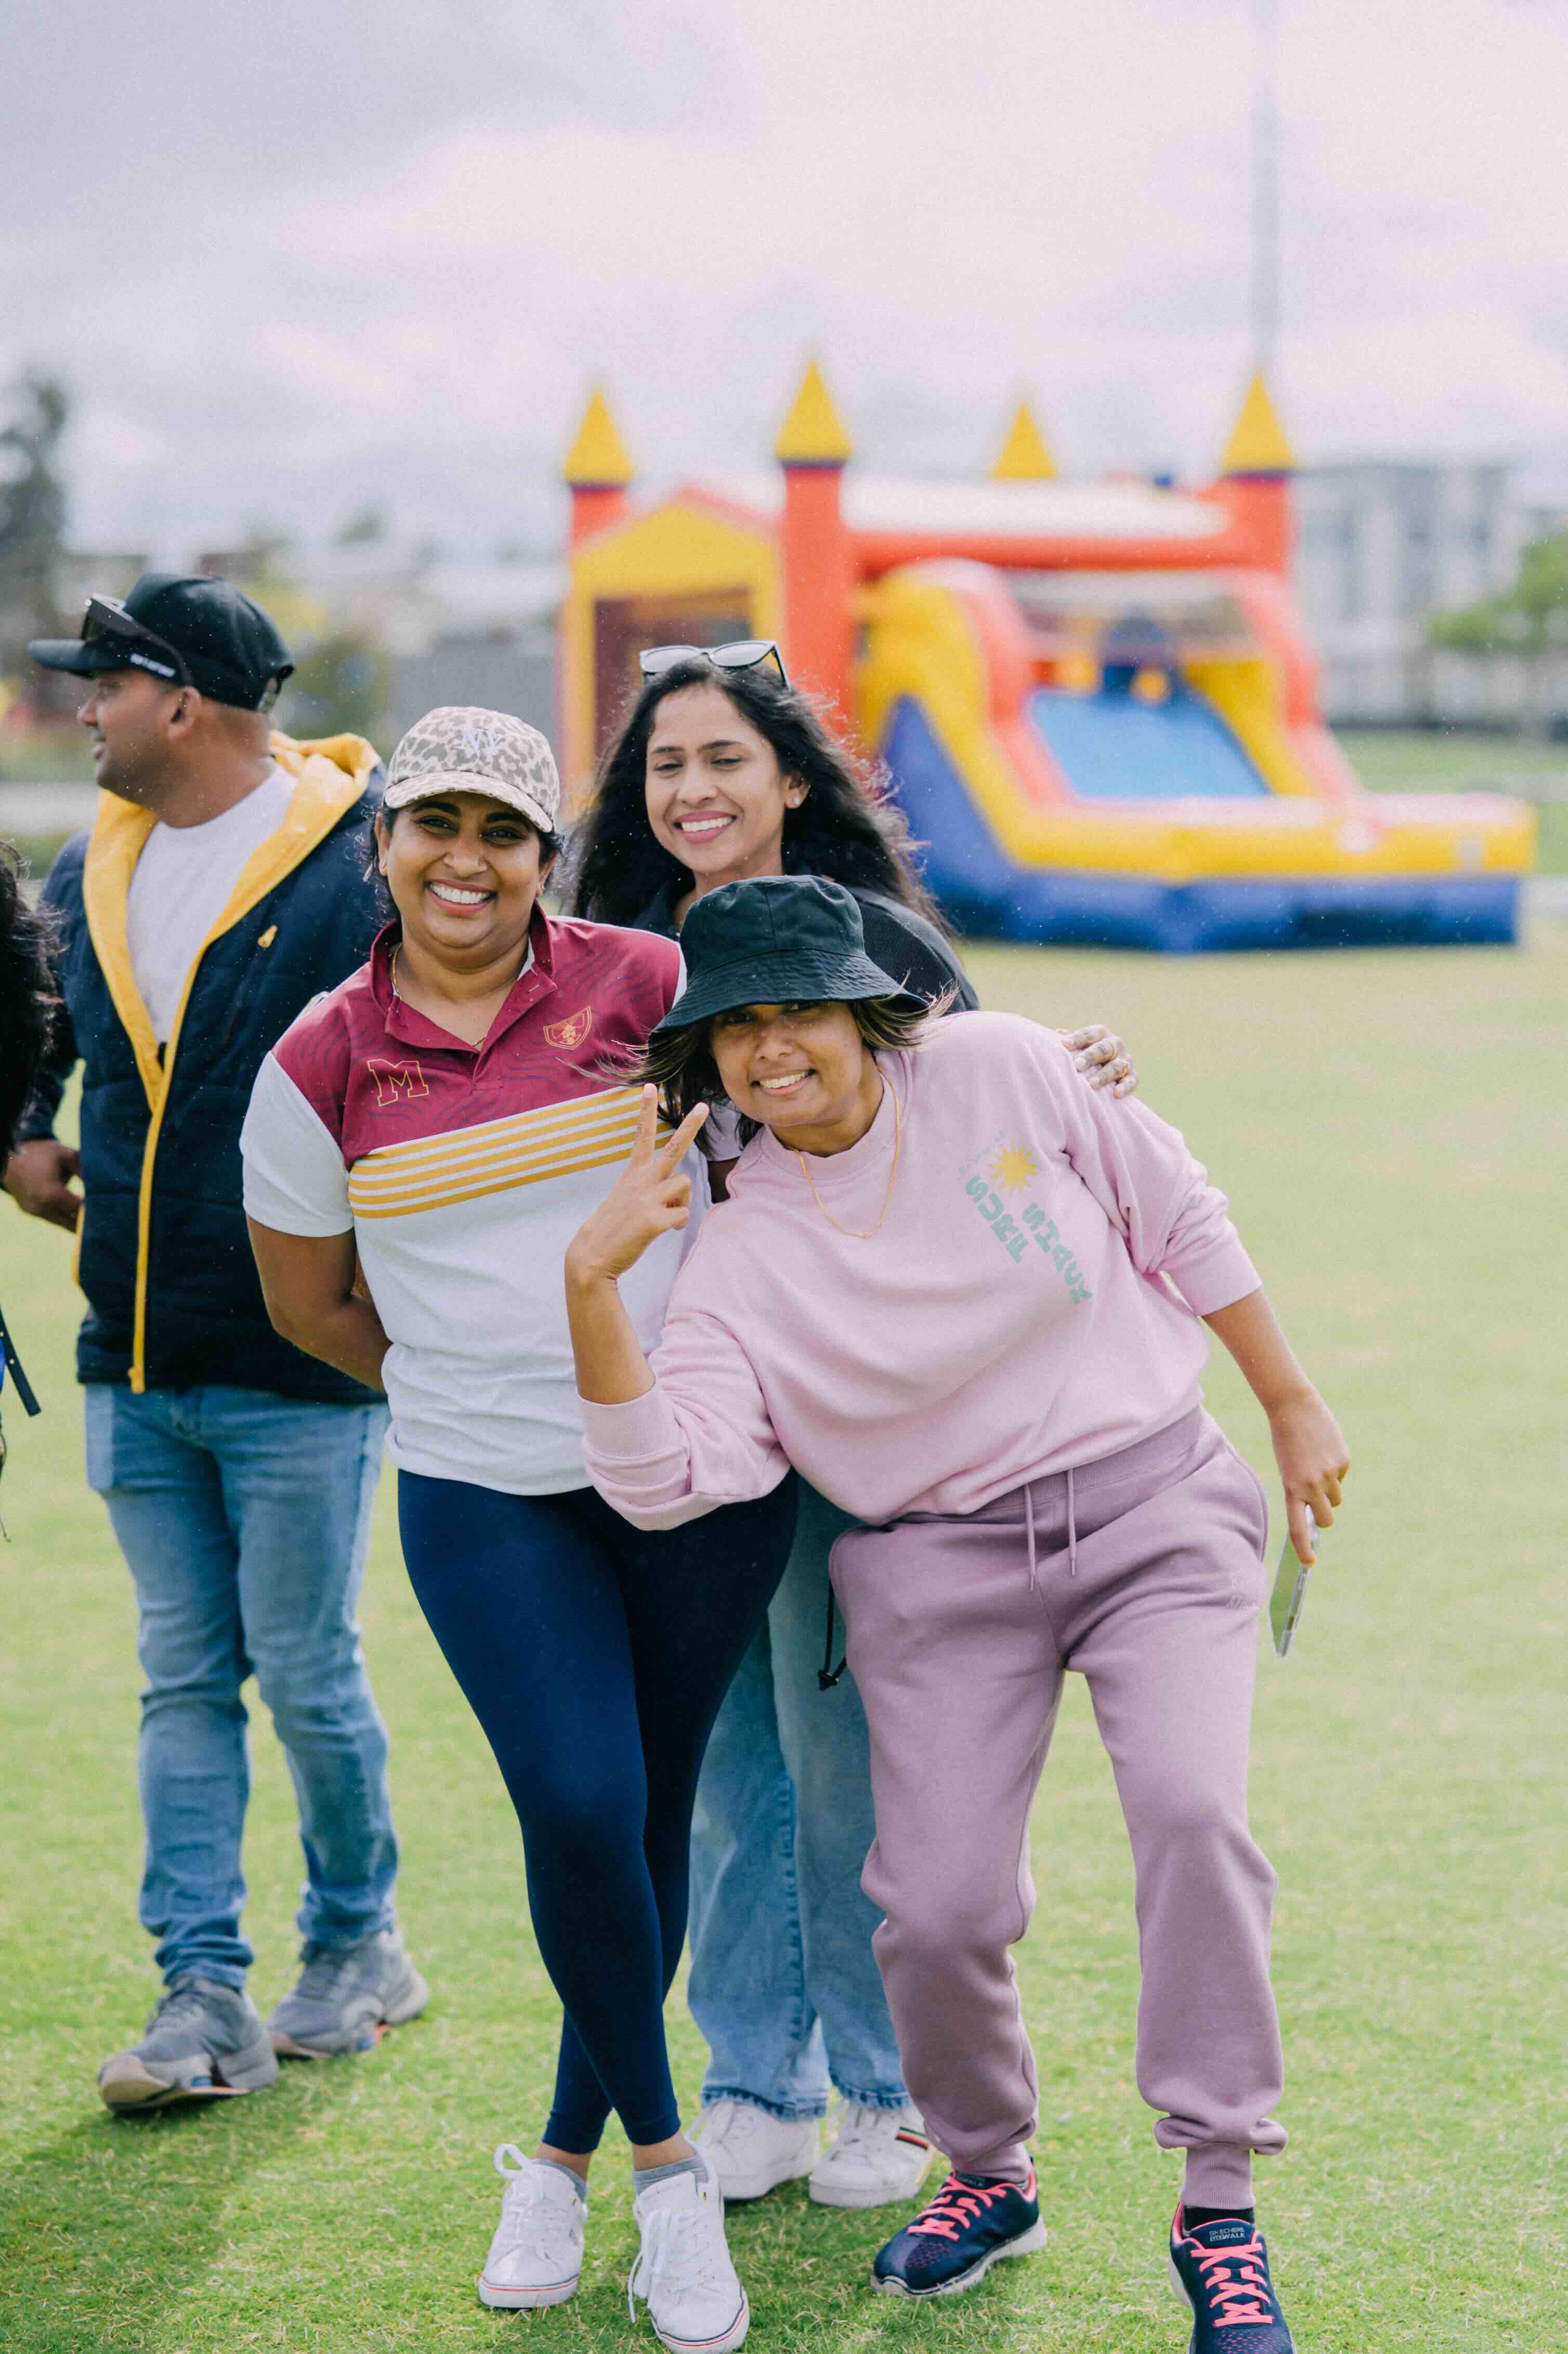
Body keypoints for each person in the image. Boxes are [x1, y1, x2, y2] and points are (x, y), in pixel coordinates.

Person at [564, 873, 1350, 2354]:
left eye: (798, 1008)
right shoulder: (736, 1248)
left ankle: (1220, 2207)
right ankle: (987, 2171)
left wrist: (1291, 1404)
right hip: (932, 1565)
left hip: (1151, 1501)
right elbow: (673, 1479)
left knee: (1191, 1814)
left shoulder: (999, 1068)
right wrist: (595, 1286)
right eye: (734, 1028)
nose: (768, 1048)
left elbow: (1172, 1211)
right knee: (934, 1910)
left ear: (868, 1012)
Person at [241, 707, 796, 2351]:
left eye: (503, 831)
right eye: (435, 827)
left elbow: (830, 1074)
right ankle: (671, 2176)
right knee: (579, 1794)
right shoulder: (320, 1059)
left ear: (546, 858)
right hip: (484, 1494)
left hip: (689, 1468)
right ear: (384, 847)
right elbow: (310, 1304)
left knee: (645, 1819)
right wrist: (472, 1387)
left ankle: (558, 2160)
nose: (465, 861)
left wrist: (1061, 1063)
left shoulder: (644, 984)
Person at [571, 642, 1137, 2210]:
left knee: (842, 1761)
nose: (693, 791)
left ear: (792, 780)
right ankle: (756, 2078)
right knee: (720, 1754)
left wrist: (1090, 1065)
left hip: (848, 1420)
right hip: (681, 1407)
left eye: (726, 762)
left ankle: (887, 2095)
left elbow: (988, 1112)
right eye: (666, 766)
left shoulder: (876, 943)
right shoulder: (616, 959)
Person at [6, 576, 422, 2110]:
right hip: (132, 1352)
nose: (83, 709)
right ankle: (203, 1993)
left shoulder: (358, 865)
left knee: (309, 1675)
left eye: (102, 686)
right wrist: (21, 1139)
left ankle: (361, 1940)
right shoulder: (86, 856)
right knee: (184, 1680)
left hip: (305, 1360)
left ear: (179, 701)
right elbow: (37, 1028)